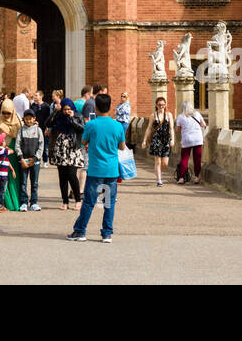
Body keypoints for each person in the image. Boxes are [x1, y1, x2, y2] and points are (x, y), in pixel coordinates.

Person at [66, 92, 127, 243]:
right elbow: (122, 146)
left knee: (89, 202)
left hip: (95, 169)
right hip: (111, 170)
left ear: (96, 107)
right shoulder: (117, 125)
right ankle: (106, 233)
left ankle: (80, 231)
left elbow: (84, 142)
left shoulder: (91, 124)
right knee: (109, 203)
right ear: (110, 106)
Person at [48, 98, 86, 209]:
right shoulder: (59, 116)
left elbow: (82, 129)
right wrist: (55, 111)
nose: (66, 111)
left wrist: (72, 118)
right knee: (62, 176)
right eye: (64, 109)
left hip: (73, 148)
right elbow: (47, 123)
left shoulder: (78, 116)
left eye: (69, 109)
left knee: (71, 174)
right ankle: (65, 202)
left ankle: (78, 200)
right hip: (60, 149)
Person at [0, 99, 23, 211]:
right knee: (0, 178)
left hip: (13, 152)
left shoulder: (18, 121)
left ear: (12, 111)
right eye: (3, 112)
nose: (6, 115)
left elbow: (24, 131)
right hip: (2, 154)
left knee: (13, 178)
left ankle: (12, 202)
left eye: (8, 113)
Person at [142, 95, 173, 186]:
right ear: (156, 105)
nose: (161, 106)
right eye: (159, 105)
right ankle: (159, 179)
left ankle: (158, 172)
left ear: (165, 105)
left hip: (166, 140)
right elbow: (148, 128)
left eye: (163, 104)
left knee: (165, 163)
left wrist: (173, 139)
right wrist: (144, 140)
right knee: (158, 161)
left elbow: (171, 128)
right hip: (156, 140)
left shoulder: (169, 115)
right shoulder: (153, 115)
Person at [17, 108, 45, 210]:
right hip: (24, 161)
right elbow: (17, 145)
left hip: (35, 161)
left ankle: (33, 202)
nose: (29, 121)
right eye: (27, 119)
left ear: (34, 119)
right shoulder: (21, 131)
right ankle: (24, 202)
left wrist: (36, 157)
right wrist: (21, 158)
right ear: (24, 119)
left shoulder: (38, 130)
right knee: (23, 182)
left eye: (31, 118)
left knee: (35, 183)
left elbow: (41, 145)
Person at [175, 100, 208, 184]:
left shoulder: (180, 116)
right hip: (197, 139)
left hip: (187, 139)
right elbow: (204, 125)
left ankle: (181, 178)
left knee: (184, 158)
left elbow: (178, 129)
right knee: (197, 159)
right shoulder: (197, 114)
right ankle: (197, 177)